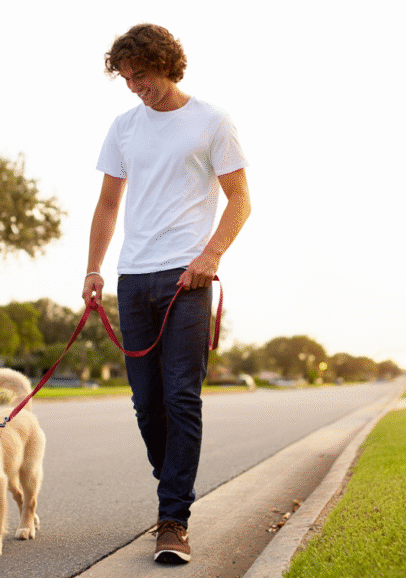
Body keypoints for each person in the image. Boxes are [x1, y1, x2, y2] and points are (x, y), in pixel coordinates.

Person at [82, 23, 251, 565]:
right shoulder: (124, 128)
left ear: (167, 64)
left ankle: (172, 517)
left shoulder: (211, 122)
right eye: (127, 78)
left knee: (181, 396)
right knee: (146, 404)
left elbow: (240, 200)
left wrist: (211, 256)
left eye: (143, 75)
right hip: (134, 279)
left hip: (187, 277)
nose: (136, 86)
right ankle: (175, 479)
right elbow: (108, 206)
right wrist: (93, 269)